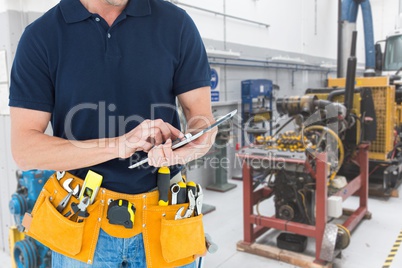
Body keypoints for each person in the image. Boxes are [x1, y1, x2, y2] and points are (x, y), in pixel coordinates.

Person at [9, 0, 216, 267]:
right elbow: (24, 150)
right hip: (81, 221)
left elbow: (203, 120)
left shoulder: (176, 24)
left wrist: (193, 147)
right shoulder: (41, 36)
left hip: (166, 214)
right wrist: (120, 145)